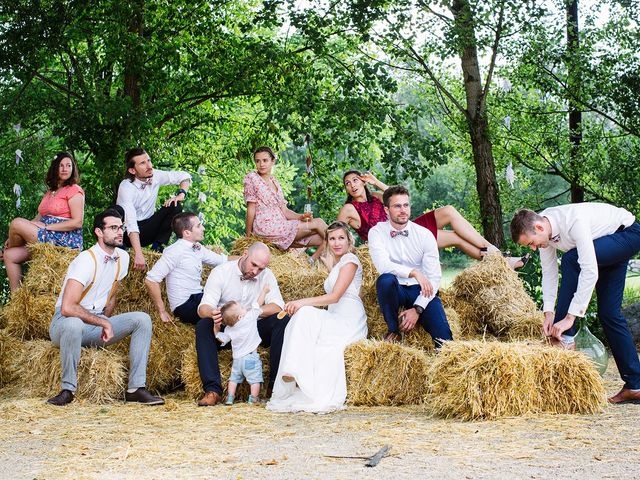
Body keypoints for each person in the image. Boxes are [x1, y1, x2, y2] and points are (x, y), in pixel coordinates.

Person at [510, 204, 640, 405]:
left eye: (532, 243)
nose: (533, 248)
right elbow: (550, 273)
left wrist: (570, 318)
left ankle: (565, 337)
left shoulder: (574, 222)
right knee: (609, 314)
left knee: (572, 258)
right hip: (605, 244)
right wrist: (548, 313)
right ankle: (635, 386)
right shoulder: (544, 231)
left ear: (539, 228)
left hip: (628, 234)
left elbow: (589, 271)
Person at [46, 208, 164, 406]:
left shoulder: (123, 258)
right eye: (113, 228)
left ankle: (136, 388)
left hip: (94, 323)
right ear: (99, 232)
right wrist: (103, 322)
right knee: (74, 324)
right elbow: (67, 307)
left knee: (142, 319)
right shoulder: (85, 260)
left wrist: (104, 323)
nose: (120, 232)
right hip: (64, 323)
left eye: (121, 227)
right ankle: (68, 390)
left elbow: (112, 295)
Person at [267, 221, 368, 413]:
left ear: (349, 241)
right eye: (332, 238)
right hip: (334, 315)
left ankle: (294, 368)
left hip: (348, 319)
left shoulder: (351, 261)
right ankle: (291, 369)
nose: (337, 242)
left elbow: (335, 296)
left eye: (341, 238)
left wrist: (300, 301)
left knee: (304, 312)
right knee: (303, 319)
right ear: (327, 241)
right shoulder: (338, 264)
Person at [338, 170, 528, 268]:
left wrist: (376, 182)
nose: (352, 185)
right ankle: (499, 256)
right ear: (346, 189)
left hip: (408, 230)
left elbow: (398, 196)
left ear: (362, 181)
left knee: (451, 219)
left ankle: (498, 257)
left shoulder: (378, 198)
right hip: (392, 242)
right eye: (348, 183)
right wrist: (351, 250)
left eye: (355, 180)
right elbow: (337, 230)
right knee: (453, 230)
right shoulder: (349, 208)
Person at [144, 212, 232, 406]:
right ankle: (214, 388)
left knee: (230, 306)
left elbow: (223, 260)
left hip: (200, 298)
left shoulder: (197, 248)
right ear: (186, 232)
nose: (203, 228)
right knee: (215, 318)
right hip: (185, 304)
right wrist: (162, 311)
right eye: (199, 225)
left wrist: (247, 258)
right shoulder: (175, 251)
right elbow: (151, 279)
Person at [197, 241, 289, 405]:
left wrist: (252, 313)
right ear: (245, 253)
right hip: (228, 328)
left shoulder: (266, 275)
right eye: (253, 265)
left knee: (282, 319)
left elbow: (277, 305)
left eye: (260, 268)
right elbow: (203, 307)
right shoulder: (221, 272)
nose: (255, 272)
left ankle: (275, 388)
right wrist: (213, 314)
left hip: (255, 329)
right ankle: (213, 391)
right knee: (203, 325)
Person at [369, 185, 453, 345]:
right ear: (386, 210)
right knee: (385, 280)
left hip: (422, 290)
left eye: (406, 205)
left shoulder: (424, 235)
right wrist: (414, 272)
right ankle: (393, 330)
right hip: (396, 288)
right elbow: (383, 266)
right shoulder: (376, 232)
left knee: (445, 340)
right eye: (397, 206)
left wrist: (417, 309)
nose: (403, 210)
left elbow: (434, 277)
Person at [1, 152, 84, 292]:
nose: (65, 169)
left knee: (16, 223)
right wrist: (16, 235)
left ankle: (4, 250)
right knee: (10, 255)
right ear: (54, 169)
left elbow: (77, 222)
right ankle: (18, 300)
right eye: (61, 166)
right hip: (45, 234)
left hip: (64, 239)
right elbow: (37, 219)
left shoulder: (74, 190)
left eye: (68, 165)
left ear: (73, 168)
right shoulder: (50, 192)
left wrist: (47, 227)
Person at [244, 146, 327, 262]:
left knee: (322, 238)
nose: (261, 164)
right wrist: (248, 237)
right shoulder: (252, 178)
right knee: (319, 223)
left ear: (273, 161)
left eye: (265, 160)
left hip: (282, 224)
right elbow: (251, 208)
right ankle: (347, 248)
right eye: (257, 161)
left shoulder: (275, 182)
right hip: (266, 226)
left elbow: (285, 210)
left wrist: (301, 217)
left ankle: (313, 262)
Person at [116, 147, 191, 270]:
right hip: (127, 234)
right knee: (115, 210)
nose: (149, 166)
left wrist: (181, 194)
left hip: (148, 229)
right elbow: (131, 223)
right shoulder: (126, 187)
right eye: (142, 163)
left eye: (149, 161)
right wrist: (138, 254)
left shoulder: (155, 175)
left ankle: (157, 247)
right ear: (132, 170)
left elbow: (184, 176)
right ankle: (120, 251)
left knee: (175, 206)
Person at [215, 284, 271, 405]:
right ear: (240, 316)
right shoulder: (249, 318)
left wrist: (216, 327)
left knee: (234, 379)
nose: (244, 307)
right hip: (250, 357)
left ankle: (230, 397)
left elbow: (221, 339)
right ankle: (253, 398)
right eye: (242, 307)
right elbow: (258, 304)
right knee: (255, 380)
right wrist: (264, 291)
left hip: (237, 360)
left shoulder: (229, 329)